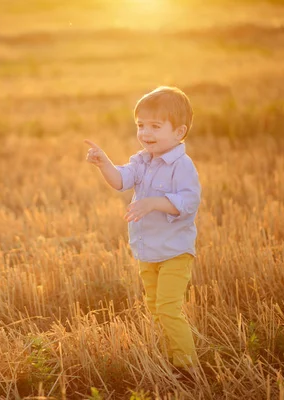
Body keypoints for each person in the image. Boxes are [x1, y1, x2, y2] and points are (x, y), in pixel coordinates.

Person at [84, 86, 201, 371]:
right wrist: (104, 164)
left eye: (155, 126)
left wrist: (153, 203)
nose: (145, 133)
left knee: (168, 309)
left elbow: (188, 202)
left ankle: (189, 366)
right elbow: (121, 180)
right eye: (141, 125)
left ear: (179, 132)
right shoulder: (141, 161)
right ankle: (168, 358)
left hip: (175, 252)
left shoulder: (182, 166)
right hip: (148, 252)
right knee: (154, 309)